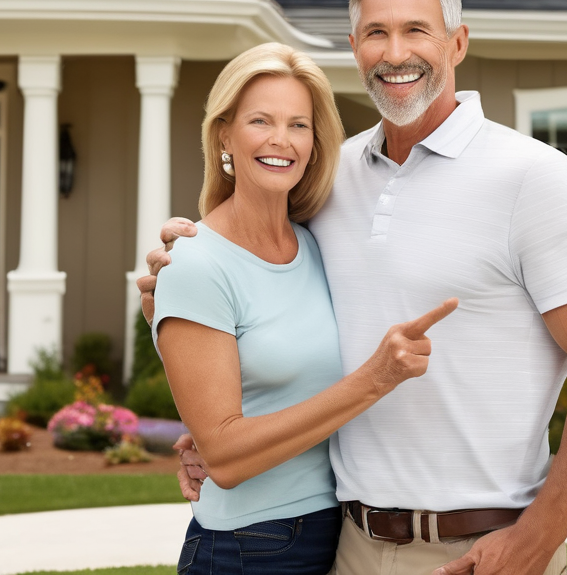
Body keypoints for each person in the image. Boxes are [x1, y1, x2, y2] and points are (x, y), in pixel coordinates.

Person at [142, 0, 567, 575]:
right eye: (376, 33)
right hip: (344, 543)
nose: (394, 52)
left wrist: (538, 538)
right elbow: (261, 292)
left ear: (456, 43)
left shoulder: (531, 177)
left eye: (416, 30)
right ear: (355, 47)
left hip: (482, 548)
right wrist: (209, 404)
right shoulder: (329, 177)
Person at [152, 41, 458, 575]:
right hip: (248, 548)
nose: (280, 140)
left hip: (334, 531)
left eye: (299, 125)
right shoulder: (196, 261)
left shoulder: (316, 244)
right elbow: (223, 457)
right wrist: (374, 380)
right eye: (260, 121)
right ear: (224, 133)